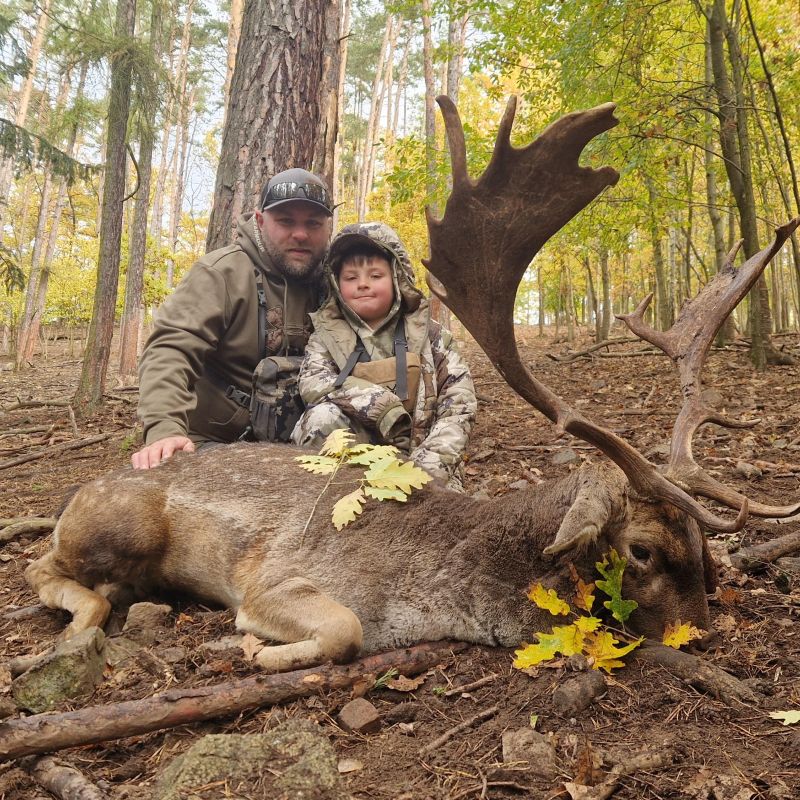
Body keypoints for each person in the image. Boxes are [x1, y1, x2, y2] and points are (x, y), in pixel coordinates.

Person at [132, 168, 333, 470]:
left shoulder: (341, 281)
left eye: (313, 223)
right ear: (260, 220)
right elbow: (171, 350)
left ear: (328, 227)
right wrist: (164, 429)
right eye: (286, 221)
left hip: (302, 442)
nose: (301, 234)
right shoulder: (220, 273)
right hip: (214, 442)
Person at [291, 222, 477, 489]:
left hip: (424, 463)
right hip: (352, 463)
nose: (362, 284)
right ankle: (326, 499)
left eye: (375, 275)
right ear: (336, 283)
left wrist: (425, 474)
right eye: (351, 278)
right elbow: (313, 382)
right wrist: (381, 406)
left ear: (396, 277)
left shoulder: (433, 336)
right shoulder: (324, 337)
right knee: (321, 417)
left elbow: (459, 405)